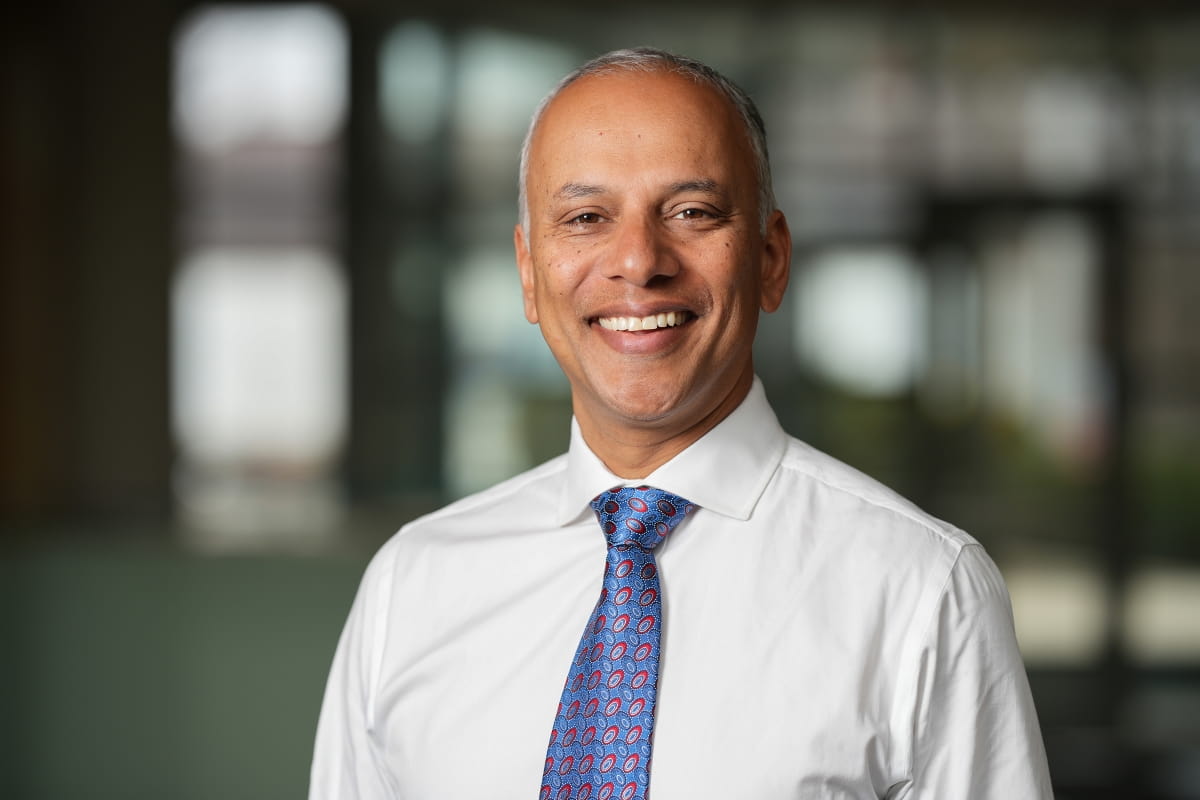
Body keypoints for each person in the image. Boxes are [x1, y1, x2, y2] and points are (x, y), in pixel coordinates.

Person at [309, 47, 1053, 799]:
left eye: (691, 212)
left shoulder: (922, 591)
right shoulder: (413, 586)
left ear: (770, 258)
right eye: (586, 217)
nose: (638, 261)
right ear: (529, 272)